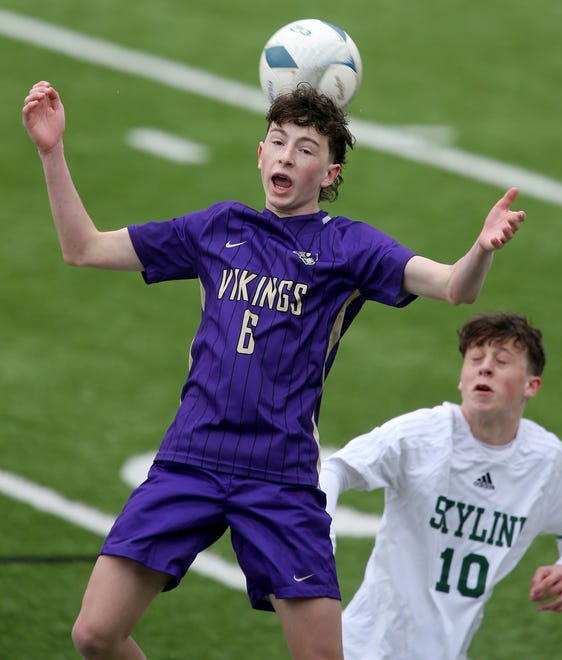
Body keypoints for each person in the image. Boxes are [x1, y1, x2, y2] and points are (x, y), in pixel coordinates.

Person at [22, 78, 526, 660]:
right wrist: (51, 151)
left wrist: (482, 248)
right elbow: (83, 247)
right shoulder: (218, 228)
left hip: (280, 473)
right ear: (260, 155)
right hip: (192, 457)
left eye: (307, 149)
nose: (287, 155)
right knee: (94, 634)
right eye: (278, 142)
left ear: (330, 174)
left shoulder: (349, 246)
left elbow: (452, 287)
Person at [320, 312, 562, 660]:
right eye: (475, 359)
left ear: (531, 385)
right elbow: (335, 469)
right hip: (369, 648)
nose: (485, 368)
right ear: (461, 380)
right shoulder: (422, 435)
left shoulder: (545, 460)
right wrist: (320, 532)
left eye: (502, 361)